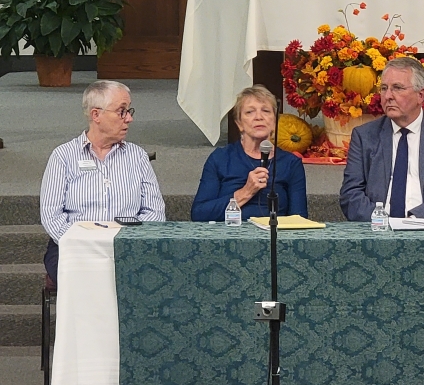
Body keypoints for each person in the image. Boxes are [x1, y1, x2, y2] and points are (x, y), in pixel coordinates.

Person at [40, 80, 166, 284]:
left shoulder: (137, 156)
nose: (129, 119)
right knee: (86, 277)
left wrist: (129, 242)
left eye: (129, 110)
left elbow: (155, 211)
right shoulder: (63, 156)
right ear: (96, 115)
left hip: (128, 246)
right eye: (121, 111)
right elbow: (51, 215)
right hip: (74, 248)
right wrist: (83, 245)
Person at [340, 57, 424, 221]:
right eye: (384, 88)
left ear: (421, 95)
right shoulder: (364, 136)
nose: (388, 96)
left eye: (397, 88)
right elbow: (351, 195)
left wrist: (414, 220)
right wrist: (384, 222)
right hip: (379, 233)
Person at [192, 85, 308, 221]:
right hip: (229, 237)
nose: (259, 117)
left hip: (273, 238)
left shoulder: (291, 163)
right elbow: (199, 214)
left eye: (266, 111)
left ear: (274, 122)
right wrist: (246, 192)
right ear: (239, 123)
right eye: (250, 112)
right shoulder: (220, 159)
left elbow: (300, 220)